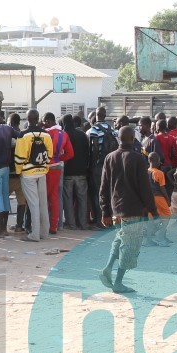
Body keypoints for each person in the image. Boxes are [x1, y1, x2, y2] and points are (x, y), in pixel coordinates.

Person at [98, 126, 157, 294]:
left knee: (120, 239)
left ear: (119, 139)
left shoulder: (110, 157)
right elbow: (145, 188)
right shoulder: (138, 159)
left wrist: (105, 211)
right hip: (134, 209)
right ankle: (118, 282)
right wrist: (153, 209)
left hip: (117, 208)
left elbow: (103, 187)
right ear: (132, 139)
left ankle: (108, 269)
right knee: (129, 246)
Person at [13, 110, 53, 243]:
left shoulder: (23, 135)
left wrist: (19, 171)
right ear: (37, 118)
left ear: (28, 118)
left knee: (33, 204)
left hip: (28, 173)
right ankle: (44, 232)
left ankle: (34, 235)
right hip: (42, 172)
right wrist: (45, 168)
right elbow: (50, 155)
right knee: (43, 203)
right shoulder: (46, 135)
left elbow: (20, 156)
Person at [86, 108, 118, 228]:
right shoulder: (114, 131)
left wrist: (91, 167)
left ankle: (98, 220)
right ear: (105, 115)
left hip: (98, 167)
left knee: (97, 193)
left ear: (96, 115)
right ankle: (111, 219)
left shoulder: (92, 131)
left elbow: (91, 150)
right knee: (110, 193)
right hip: (112, 166)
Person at [61, 114, 90, 231]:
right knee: (82, 199)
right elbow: (87, 153)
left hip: (67, 173)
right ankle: (83, 223)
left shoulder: (63, 135)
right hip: (81, 172)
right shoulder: (82, 135)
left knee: (68, 199)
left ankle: (71, 223)